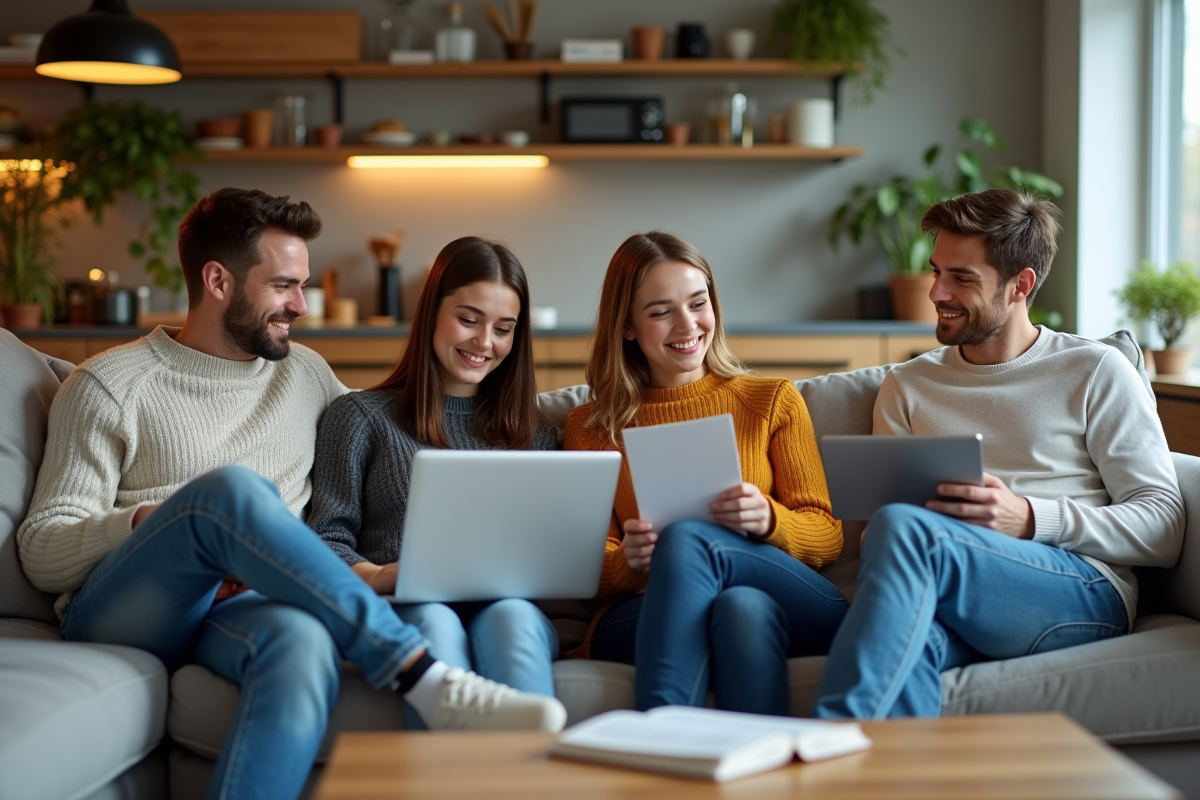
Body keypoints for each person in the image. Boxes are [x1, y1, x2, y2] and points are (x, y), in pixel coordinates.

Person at [16, 188, 566, 800]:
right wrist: (155, 519)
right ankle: (418, 672)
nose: (301, 305)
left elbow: (385, 434)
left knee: (304, 646)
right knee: (228, 493)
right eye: (284, 286)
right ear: (218, 280)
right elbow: (41, 550)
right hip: (135, 605)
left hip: (245, 603)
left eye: (301, 286)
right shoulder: (111, 385)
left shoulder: (304, 375)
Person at [813, 188, 1186, 720]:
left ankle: (830, 735)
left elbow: (1163, 524)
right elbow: (880, 534)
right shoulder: (908, 385)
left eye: (962, 278)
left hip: (1080, 591)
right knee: (911, 652)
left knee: (905, 529)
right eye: (936, 270)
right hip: (950, 589)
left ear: (1021, 285)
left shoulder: (1095, 370)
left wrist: (1030, 517)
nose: (936, 291)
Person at [564, 231, 847, 715]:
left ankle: (665, 742)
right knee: (741, 610)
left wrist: (770, 520)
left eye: (699, 303)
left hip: (786, 594)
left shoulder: (770, 400)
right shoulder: (591, 428)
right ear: (627, 326)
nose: (687, 324)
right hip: (643, 609)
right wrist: (628, 560)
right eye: (660, 312)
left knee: (694, 543)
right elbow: (583, 564)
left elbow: (828, 535)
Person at [308, 236, 561, 704]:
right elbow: (325, 540)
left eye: (504, 328)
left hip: (507, 606)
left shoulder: (536, 435)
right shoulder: (361, 418)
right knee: (434, 618)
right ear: (431, 314)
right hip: (405, 605)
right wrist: (385, 576)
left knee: (513, 617)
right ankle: (444, 775)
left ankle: (528, 776)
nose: (485, 342)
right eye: (468, 320)